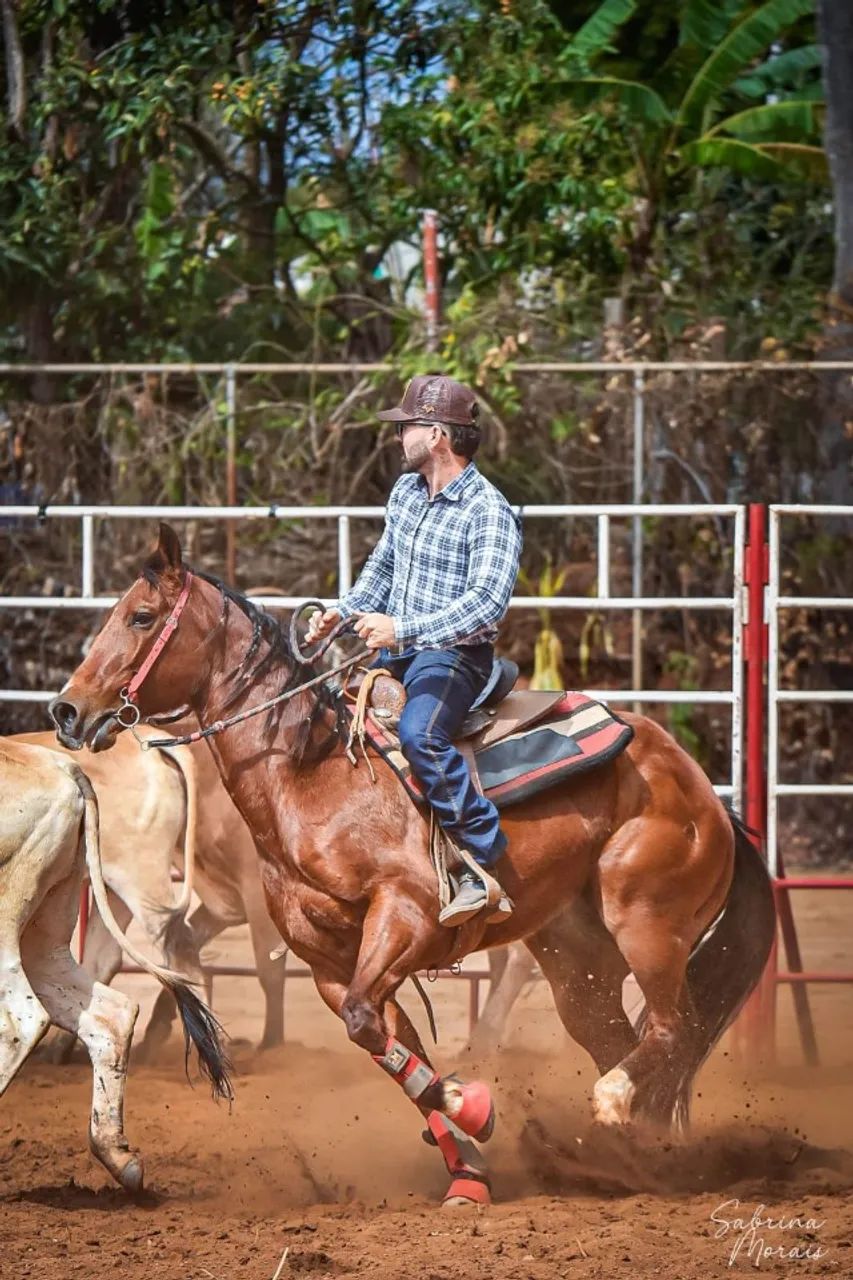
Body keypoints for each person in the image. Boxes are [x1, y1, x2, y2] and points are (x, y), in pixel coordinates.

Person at [307, 373, 522, 927]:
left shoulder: (488, 509)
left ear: (437, 435)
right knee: (332, 726)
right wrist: (341, 615)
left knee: (420, 735)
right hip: (402, 648)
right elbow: (382, 569)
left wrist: (403, 630)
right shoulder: (406, 493)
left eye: (406, 427)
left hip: (454, 656)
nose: (398, 436)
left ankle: (480, 856)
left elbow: (487, 605)